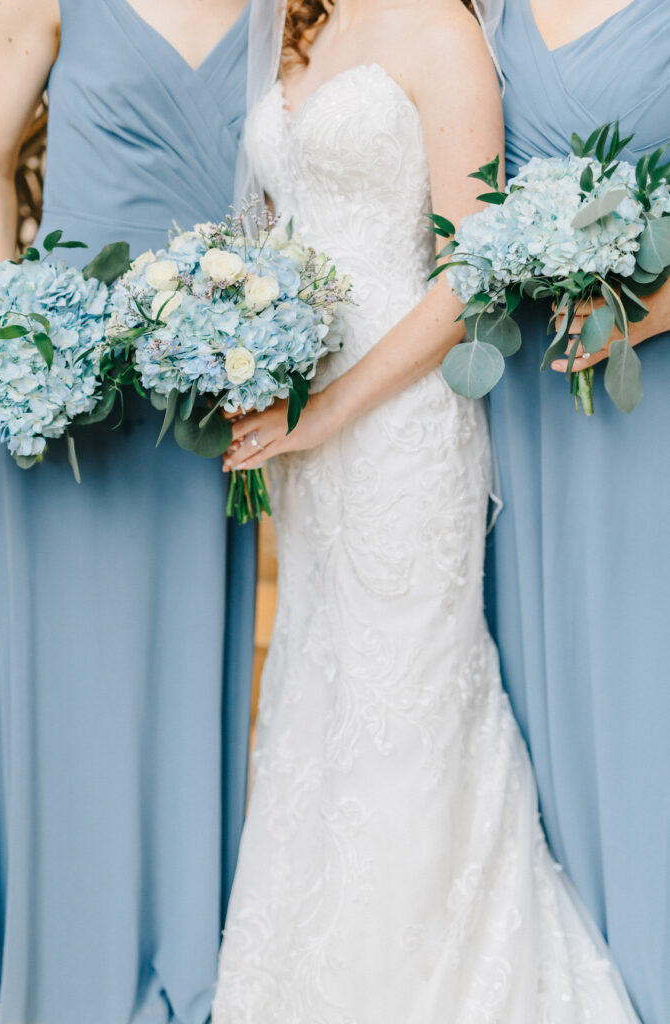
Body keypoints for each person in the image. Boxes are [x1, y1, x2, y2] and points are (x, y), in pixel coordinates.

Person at [212, 1, 639, 1019]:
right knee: (321, 680)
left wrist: (329, 408)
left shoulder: (442, 32)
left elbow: (468, 273)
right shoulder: (301, 33)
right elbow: (277, 222)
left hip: (402, 425)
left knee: (404, 690)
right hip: (305, 427)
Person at [0, 2, 255, 1022]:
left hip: (200, 397)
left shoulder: (284, 13)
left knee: (180, 669)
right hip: (66, 398)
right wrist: (11, 335)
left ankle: (184, 953)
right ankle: (68, 960)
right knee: (72, 682)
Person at [473, 1, 670, 1021]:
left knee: (646, 673)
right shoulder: (486, 13)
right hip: (528, 396)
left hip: (646, 394)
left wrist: (641, 303)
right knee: (542, 667)